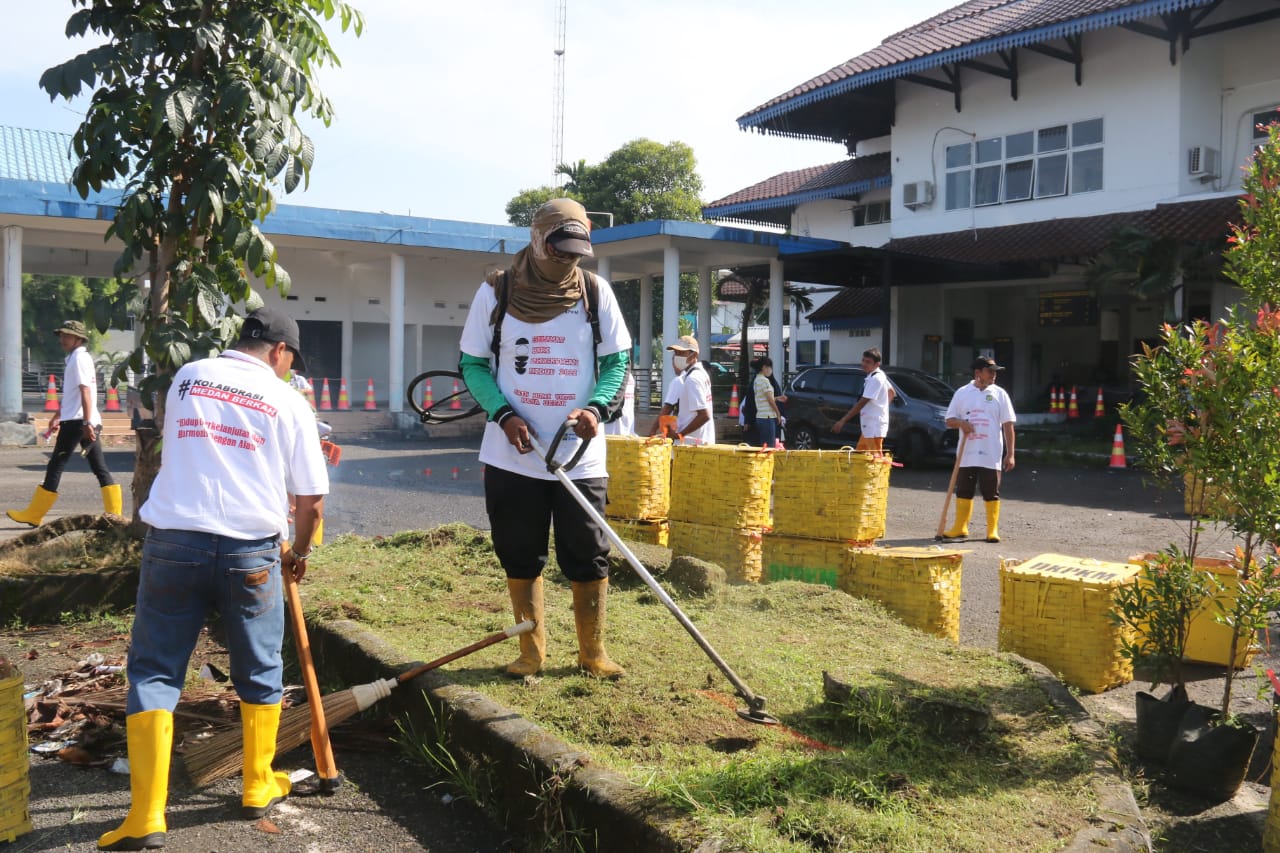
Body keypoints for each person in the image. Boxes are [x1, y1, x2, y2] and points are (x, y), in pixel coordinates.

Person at [98, 308, 328, 851]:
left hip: (174, 542)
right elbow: (311, 504)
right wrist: (297, 554)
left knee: (155, 671)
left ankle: (147, 816)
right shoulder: (288, 401)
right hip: (250, 552)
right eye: (290, 359)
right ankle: (255, 786)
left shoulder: (188, 377)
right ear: (279, 351)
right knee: (260, 664)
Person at [458, 198, 631, 680]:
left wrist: (596, 409)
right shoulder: (497, 292)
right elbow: (472, 363)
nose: (566, 260)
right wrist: (503, 414)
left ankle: (592, 653)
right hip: (514, 454)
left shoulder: (596, 294)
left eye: (576, 253)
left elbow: (617, 363)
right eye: (558, 249)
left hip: (579, 455)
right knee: (519, 550)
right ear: (537, 239)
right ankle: (530, 652)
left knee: (588, 552)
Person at [7, 320, 120, 526]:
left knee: (56, 464)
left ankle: (34, 513)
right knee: (98, 467)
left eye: (66, 336)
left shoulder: (78, 359)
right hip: (79, 419)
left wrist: (86, 422)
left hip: (78, 422)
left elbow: (86, 391)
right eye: (61, 335)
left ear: (79, 338)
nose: (62, 339)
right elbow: (75, 394)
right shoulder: (77, 358)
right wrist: (59, 413)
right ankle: (115, 516)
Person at [941, 356, 1017, 543]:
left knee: (991, 491)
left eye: (995, 372)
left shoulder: (1000, 394)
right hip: (967, 453)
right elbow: (949, 420)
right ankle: (960, 527)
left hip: (990, 452)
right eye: (990, 371)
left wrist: (1011, 453)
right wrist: (961, 423)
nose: (994, 375)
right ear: (978, 373)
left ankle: (992, 530)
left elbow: (1008, 425)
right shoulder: (962, 393)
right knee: (964, 490)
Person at [831, 348, 895, 453]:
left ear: (877, 364)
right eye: (863, 360)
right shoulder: (876, 375)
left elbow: (862, 402)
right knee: (860, 456)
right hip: (869, 426)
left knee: (875, 458)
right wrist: (882, 408)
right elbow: (892, 392)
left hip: (874, 427)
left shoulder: (876, 379)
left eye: (868, 362)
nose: (864, 364)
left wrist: (843, 421)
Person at [665, 335, 715, 445]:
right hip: (699, 440)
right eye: (676, 353)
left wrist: (680, 434)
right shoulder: (700, 374)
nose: (677, 357)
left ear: (694, 355)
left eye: (682, 353)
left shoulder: (693, 379)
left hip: (691, 444)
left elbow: (704, 415)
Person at [747, 356, 786, 447]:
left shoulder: (757, 380)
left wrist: (777, 398)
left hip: (760, 416)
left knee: (763, 445)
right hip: (768, 417)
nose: (770, 370)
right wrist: (778, 414)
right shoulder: (765, 381)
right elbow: (770, 400)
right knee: (769, 446)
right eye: (769, 367)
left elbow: (763, 398)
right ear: (764, 367)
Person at [647, 350, 686, 438]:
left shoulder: (678, 381)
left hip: (683, 435)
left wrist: (652, 431)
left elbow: (667, 409)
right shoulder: (697, 376)